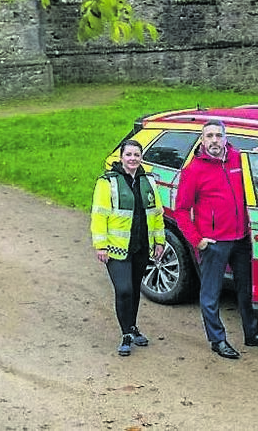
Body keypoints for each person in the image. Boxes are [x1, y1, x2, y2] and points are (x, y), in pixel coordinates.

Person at [174, 120, 258, 359]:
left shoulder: (238, 160)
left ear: (225, 137)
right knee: (211, 294)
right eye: (209, 136)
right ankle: (217, 340)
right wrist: (198, 241)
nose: (214, 140)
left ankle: (252, 334)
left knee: (246, 291)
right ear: (202, 140)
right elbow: (181, 211)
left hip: (241, 239)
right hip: (214, 243)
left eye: (217, 135)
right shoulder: (193, 171)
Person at [91, 140, 165, 356]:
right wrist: (100, 245)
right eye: (129, 154)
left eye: (136, 154)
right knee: (124, 290)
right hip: (116, 249)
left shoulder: (148, 180)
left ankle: (132, 327)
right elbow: (99, 215)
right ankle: (125, 334)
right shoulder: (108, 182)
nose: (133, 158)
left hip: (141, 247)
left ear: (141, 157)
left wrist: (159, 241)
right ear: (121, 157)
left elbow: (156, 214)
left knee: (134, 291)